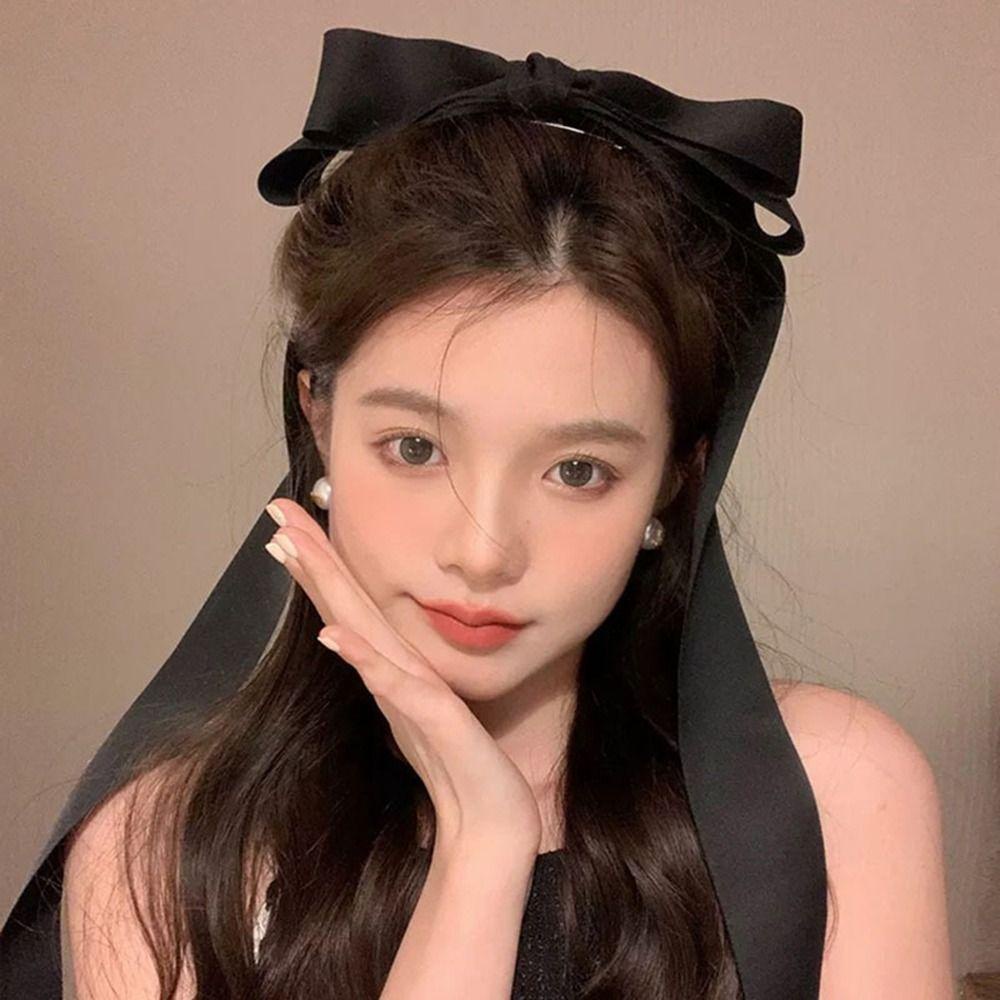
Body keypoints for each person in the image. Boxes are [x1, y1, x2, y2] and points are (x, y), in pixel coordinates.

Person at [4, 29, 953, 1000]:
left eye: (577, 469)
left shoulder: (829, 790)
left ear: (676, 479)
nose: (483, 548)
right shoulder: (164, 853)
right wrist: (481, 849)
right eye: (416, 448)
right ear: (318, 417)